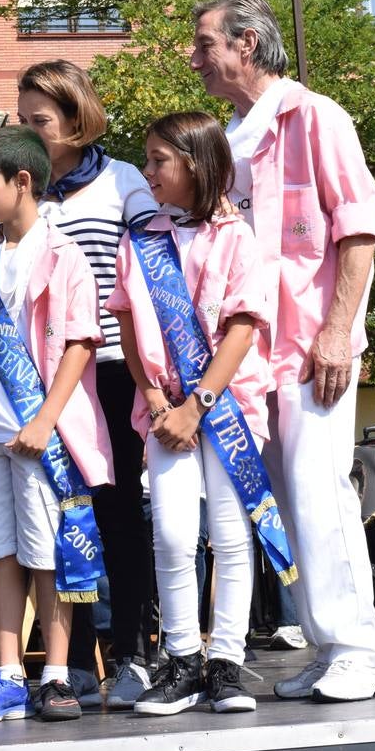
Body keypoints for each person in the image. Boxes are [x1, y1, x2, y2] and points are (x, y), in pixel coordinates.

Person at [190, 0, 375, 702]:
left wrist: (338, 330)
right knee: (283, 502)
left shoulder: (316, 116)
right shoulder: (232, 135)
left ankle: (361, 651)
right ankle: (328, 645)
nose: (196, 57)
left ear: (246, 43)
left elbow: (359, 230)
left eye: (205, 42)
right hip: (254, 357)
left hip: (312, 345)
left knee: (319, 491)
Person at [0, 126, 112, 724]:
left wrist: (45, 419)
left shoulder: (64, 255)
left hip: (43, 433)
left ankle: (57, 675)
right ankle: (9, 672)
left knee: (48, 555)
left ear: (22, 181)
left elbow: (81, 345)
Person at [108, 112, 285, 715]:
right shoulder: (141, 240)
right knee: (173, 533)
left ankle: (226, 663)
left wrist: (197, 404)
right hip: (163, 411)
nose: (149, 171)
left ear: (196, 163)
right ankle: (182, 658)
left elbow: (242, 327)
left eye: (159, 160)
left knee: (232, 537)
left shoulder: (237, 236)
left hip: (227, 406)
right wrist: (157, 399)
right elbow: (128, 323)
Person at [16, 60, 158, 706]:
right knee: (58, 519)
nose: (28, 132)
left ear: (76, 119)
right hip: (47, 381)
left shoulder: (125, 181)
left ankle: (131, 652)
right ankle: (68, 666)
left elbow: (157, 275)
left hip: (114, 372)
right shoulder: (24, 191)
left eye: (38, 121)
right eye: (21, 121)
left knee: (119, 514)